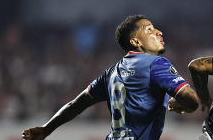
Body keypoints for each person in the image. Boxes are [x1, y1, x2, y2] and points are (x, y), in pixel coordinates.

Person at [22, 14, 199, 140]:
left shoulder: (111, 72)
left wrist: (47, 129)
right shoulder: (157, 64)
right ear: (136, 41)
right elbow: (192, 101)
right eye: (149, 30)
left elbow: (75, 105)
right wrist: (182, 103)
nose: (158, 32)